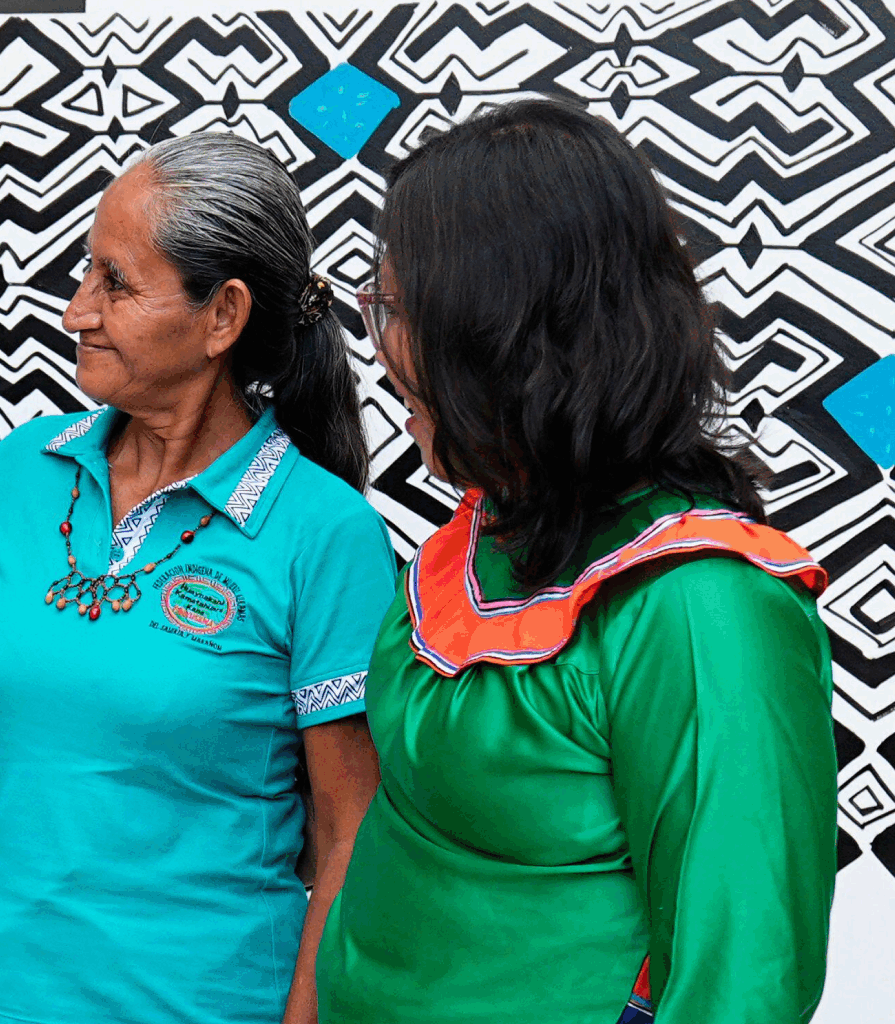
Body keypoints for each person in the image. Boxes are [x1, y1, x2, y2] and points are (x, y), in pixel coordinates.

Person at [317, 99, 836, 1023]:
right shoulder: (482, 533)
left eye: (397, 309)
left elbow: (740, 987)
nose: (382, 347)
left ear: (508, 334)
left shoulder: (699, 605)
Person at [0, 133, 395, 1024]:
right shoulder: (24, 471)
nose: (75, 311)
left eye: (115, 283)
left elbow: (349, 833)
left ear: (223, 316)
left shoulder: (324, 533)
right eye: (84, 273)